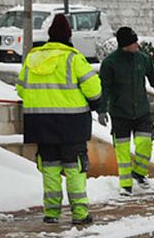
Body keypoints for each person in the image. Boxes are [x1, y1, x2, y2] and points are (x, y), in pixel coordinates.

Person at [15, 14, 104, 224]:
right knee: (74, 168)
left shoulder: (32, 58)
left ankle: (52, 212)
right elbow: (94, 90)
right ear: (69, 35)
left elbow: (21, 89)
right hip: (72, 124)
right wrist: (97, 105)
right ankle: (80, 213)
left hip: (40, 124)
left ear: (50, 35)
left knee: (50, 169)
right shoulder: (73, 58)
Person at [99, 27, 154, 195]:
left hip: (141, 111)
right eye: (133, 42)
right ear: (125, 44)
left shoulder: (142, 59)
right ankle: (125, 185)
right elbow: (104, 88)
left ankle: (139, 172)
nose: (137, 45)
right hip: (120, 113)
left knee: (145, 143)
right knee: (122, 150)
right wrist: (102, 110)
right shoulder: (110, 63)